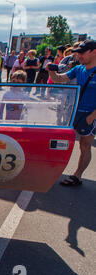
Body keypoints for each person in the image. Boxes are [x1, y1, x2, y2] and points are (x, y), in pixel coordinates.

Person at [47, 40, 96, 187]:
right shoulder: (78, 69)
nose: (78, 56)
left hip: (89, 115)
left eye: (82, 52)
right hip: (73, 111)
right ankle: (54, 170)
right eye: (78, 53)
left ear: (94, 52)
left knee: (84, 145)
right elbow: (59, 79)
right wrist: (51, 71)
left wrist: (92, 117)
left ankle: (77, 175)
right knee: (62, 141)